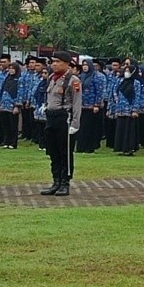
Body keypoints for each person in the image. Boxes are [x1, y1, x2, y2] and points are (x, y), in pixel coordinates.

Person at [39, 51, 83, 197]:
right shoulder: (52, 78)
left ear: (66, 63)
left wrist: (75, 124)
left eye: (57, 61)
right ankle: (56, 181)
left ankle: (65, 182)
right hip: (51, 117)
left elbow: (77, 103)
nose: (54, 64)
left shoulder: (73, 80)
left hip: (65, 117)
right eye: (53, 62)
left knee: (65, 152)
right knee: (53, 151)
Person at [110, 61, 142, 156]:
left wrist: (135, 109)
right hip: (120, 109)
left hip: (130, 110)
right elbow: (114, 91)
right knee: (121, 129)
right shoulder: (120, 81)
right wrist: (117, 101)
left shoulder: (136, 83)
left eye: (129, 71)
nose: (126, 72)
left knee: (129, 130)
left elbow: (137, 96)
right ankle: (120, 148)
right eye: (125, 70)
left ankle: (129, 149)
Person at [0, 62, 22, 150]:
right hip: (4, 105)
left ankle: (13, 143)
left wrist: (17, 105)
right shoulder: (7, 78)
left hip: (12, 106)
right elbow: (2, 90)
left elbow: (20, 92)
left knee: (13, 125)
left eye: (13, 68)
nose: (11, 70)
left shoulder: (19, 79)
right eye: (10, 68)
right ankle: (6, 141)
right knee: (5, 125)